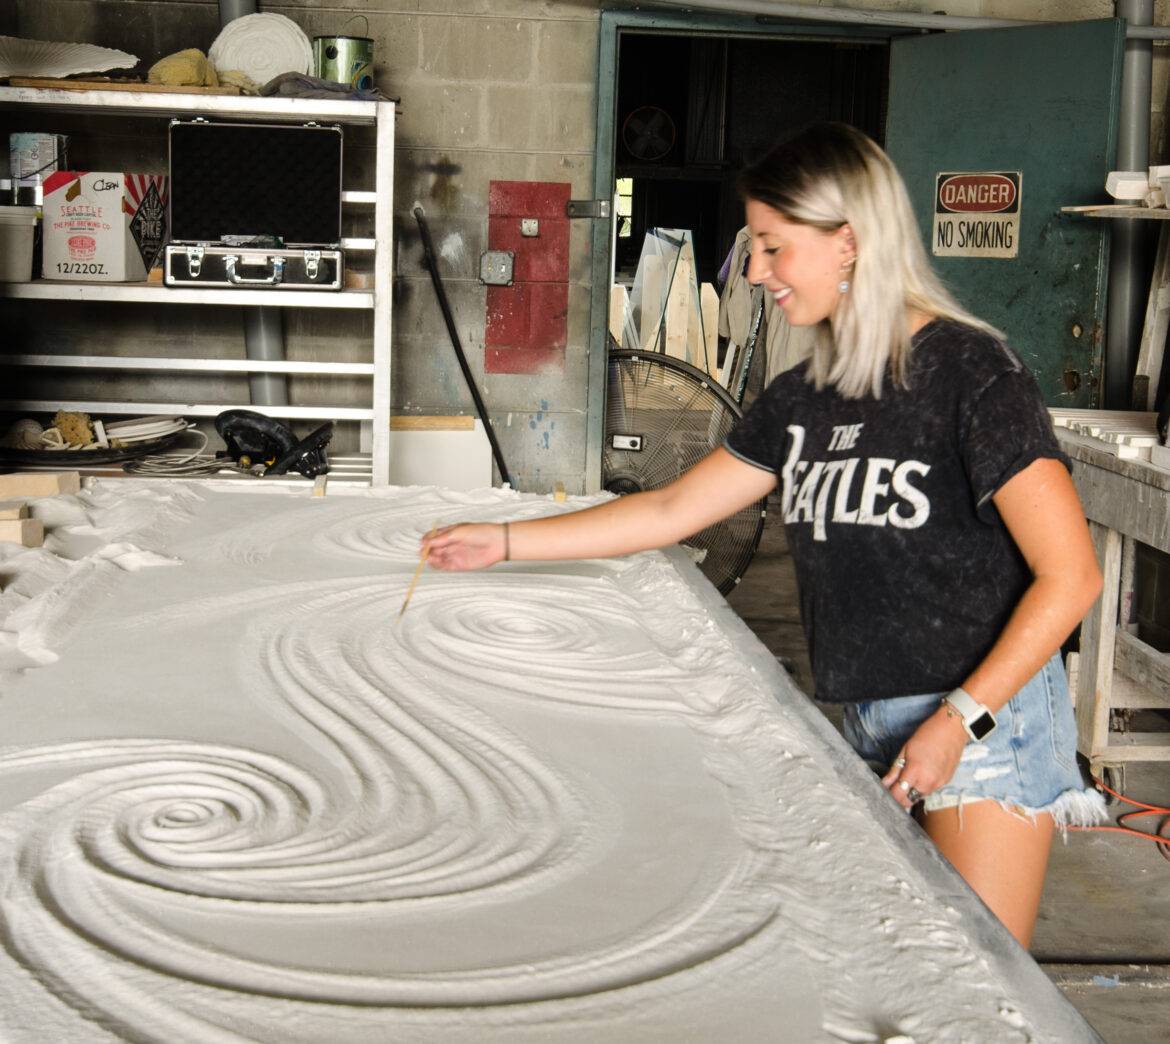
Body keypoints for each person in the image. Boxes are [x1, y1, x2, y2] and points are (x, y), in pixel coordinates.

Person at [422, 123, 1106, 948]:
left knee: (976, 981)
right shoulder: (805, 397)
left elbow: (1072, 577)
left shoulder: (972, 374)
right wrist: (502, 542)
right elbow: (671, 511)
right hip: (871, 717)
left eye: (774, 249)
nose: (754, 273)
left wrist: (956, 721)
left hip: (984, 725)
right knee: (901, 969)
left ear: (848, 243)